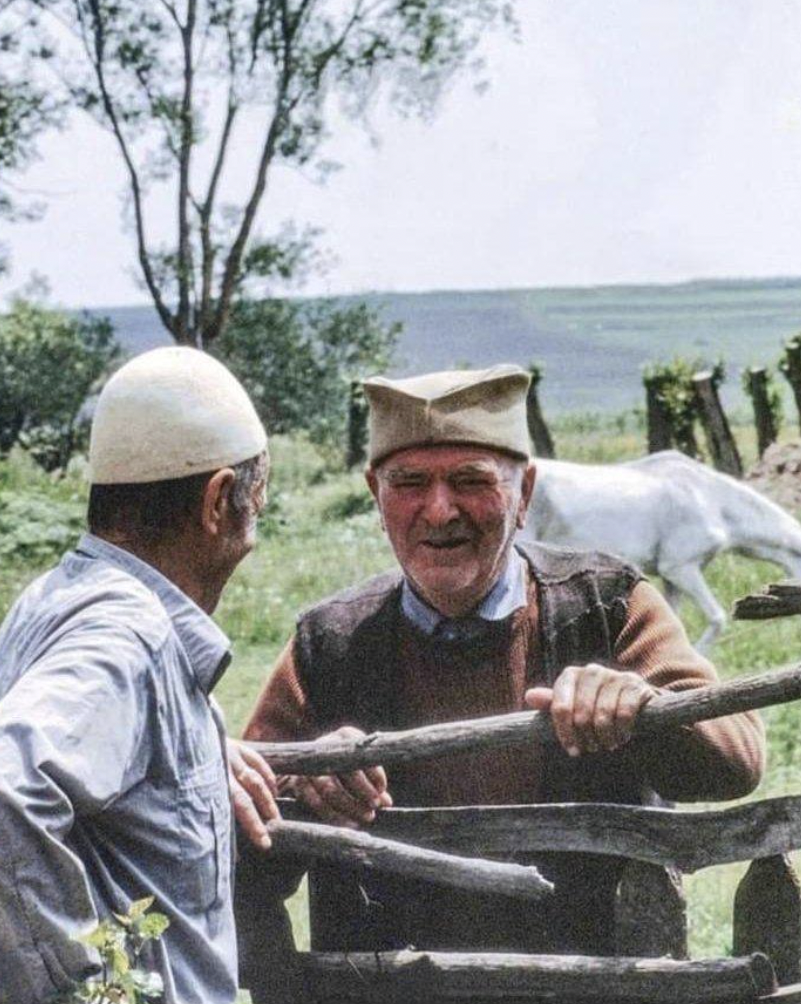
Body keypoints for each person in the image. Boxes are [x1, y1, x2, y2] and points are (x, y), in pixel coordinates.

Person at [236, 364, 766, 998]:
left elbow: (738, 760)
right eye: (409, 482)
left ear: (525, 494)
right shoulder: (332, 643)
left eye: (471, 481)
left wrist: (643, 709)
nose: (439, 509)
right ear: (375, 494)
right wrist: (303, 781)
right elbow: (242, 829)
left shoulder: (607, 605)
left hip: (597, 986)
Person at [0, 347, 279, 1004]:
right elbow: (4, 789)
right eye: (256, 499)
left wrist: (192, 748)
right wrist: (85, 994)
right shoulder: (133, 638)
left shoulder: (52, 596)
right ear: (217, 503)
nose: (254, 528)